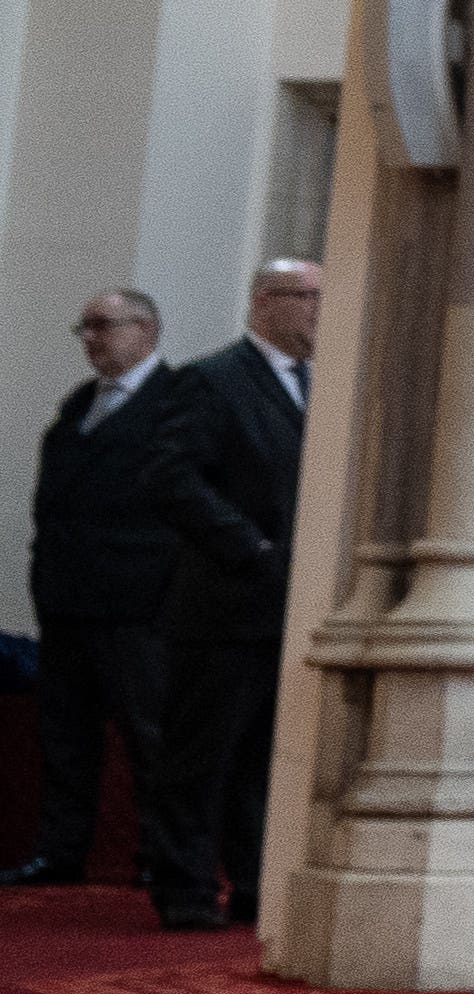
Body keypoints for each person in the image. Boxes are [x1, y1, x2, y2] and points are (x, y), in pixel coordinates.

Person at [139, 256, 317, 933]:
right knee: (199, 756)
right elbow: (171, 479)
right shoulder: (211, 382)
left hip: (287, 609)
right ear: (266, 301)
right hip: (224, 603)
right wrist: (253, 549)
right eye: (308, 297)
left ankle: (251, 883)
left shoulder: (317, 385)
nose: (319, 313)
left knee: (264, 759)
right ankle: (183, 887)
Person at [16, 290, 186, 894]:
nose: (90, 338)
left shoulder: (176, 403)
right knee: (65, 735)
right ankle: (61, 851)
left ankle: (157, 855)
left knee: (149, 735)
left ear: (145, 329)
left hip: (137, 604)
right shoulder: (79, 405)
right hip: (67, 599)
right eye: (83, 327)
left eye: (102, 326)